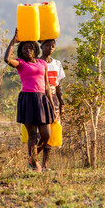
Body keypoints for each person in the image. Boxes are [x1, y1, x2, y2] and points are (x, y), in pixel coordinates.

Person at [4, 29, 55, 172]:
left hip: (42, 99)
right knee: (32, 135)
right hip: (28, 99)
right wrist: (13, 42)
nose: (27, 50)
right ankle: (34, 163)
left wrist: (51, 105)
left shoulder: (42, 63)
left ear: (35, 49)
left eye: (30, 48)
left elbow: (47, 86)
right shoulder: (20, 64)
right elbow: (7, 59)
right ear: (22, 51)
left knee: (46, 135)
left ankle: (31, 156)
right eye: (24, 48)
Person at [39, 39, 65, 171]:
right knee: (42, 130)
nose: (50, 48)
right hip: (40, 97)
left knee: (52, 129)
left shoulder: (56, 64)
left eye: (52, 46)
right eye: (47, 45)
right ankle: (32, 158)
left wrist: (61, 102)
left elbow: (58, 85)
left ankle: (45, 164)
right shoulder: (37, 62)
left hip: (53, 98)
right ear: (41, 46)